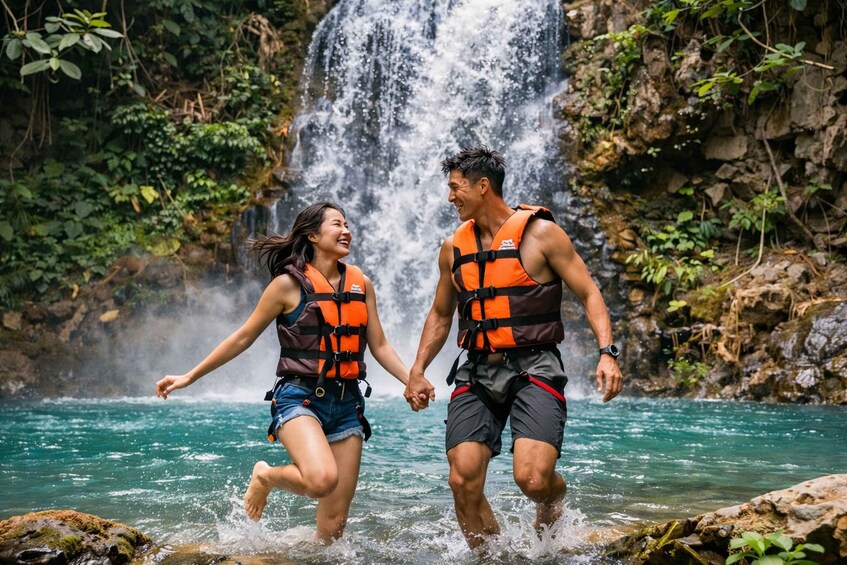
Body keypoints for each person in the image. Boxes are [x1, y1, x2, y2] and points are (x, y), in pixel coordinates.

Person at [403, 146, 623, 549]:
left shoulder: (542, 234)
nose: (450, 197)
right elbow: (440, 313)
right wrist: (417, 370)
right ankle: (492, 557)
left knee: (534, 479)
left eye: (455, 188)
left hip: (534, 366)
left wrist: (607, 353)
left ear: (482, 186)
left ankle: (553, 499)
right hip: (477, 369)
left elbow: (589, 293)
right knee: (462, 479)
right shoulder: (453, 247)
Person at [155, 202, 410, 543]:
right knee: (321, 480)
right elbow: (243, 337)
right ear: (313, 235)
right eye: (337, 224)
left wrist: (413, 379)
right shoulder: (287, 285)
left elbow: (379, 345)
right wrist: (190, 376)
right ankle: (266, 477)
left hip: (348, 403)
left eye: (347, 224)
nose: (346, 231)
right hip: (299, 398)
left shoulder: (361, 283)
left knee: (332, 530)